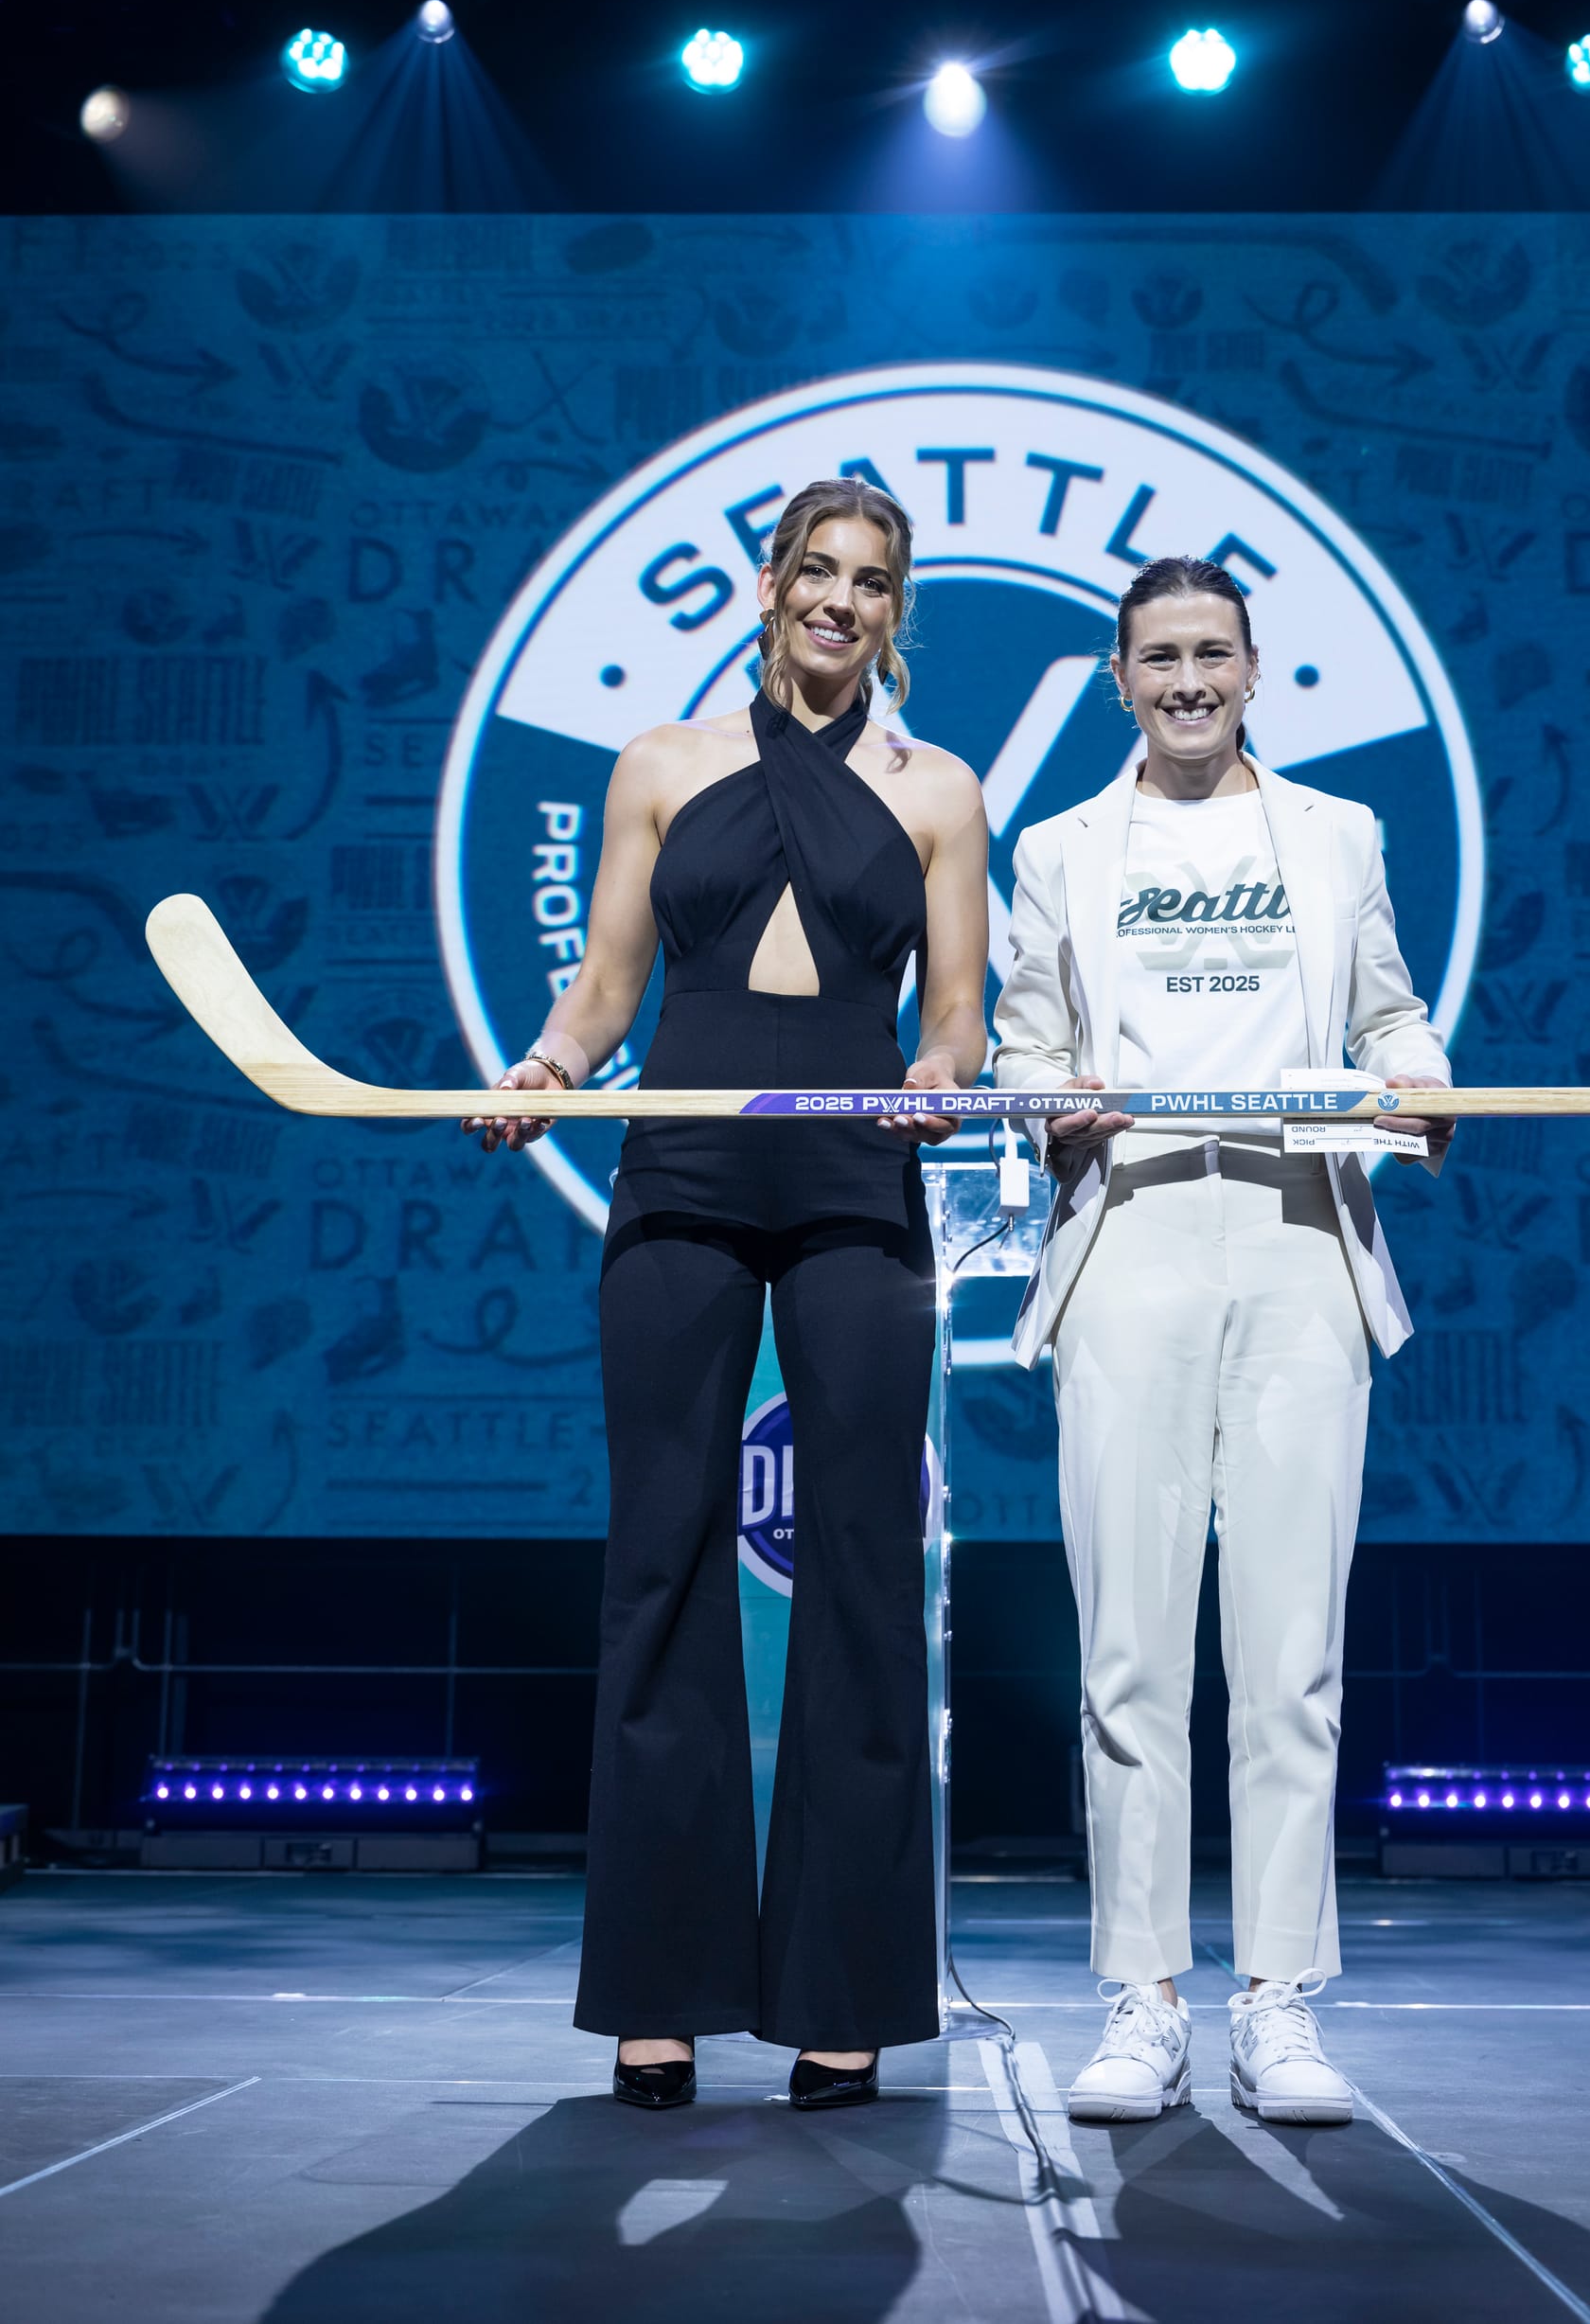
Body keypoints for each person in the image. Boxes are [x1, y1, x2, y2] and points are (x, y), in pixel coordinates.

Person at [466, 478, 990, 2113]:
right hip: (682, 1174)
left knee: (862, 1568)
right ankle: (661, 1993)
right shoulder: (659, 765)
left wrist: (938, 1077)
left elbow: (958, 1019)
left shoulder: (940, 791)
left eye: (873, 582)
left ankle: (844, 1995)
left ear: (896, 611)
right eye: (818, 571)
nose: (842, 600)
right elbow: (604, 991)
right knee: (663, 1562)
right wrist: (551, 1067)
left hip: (856, 1185)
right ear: (771, 584)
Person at [993, 555, 1454, 2128]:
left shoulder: (1338, 834)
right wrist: (1050, 1105)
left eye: (1213, 654)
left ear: (1255, 670)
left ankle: (1279, 2000)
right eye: (1159, 658)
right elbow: (1027, 1046)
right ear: (1119, 679)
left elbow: (1387, 1018)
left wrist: (1423, 1080)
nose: (1187, 681)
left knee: (1290, 1655)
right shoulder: (1058, 849)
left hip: (1300, 1232)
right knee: (1129, 1654)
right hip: (1130, 1237)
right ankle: (1144, 1998)